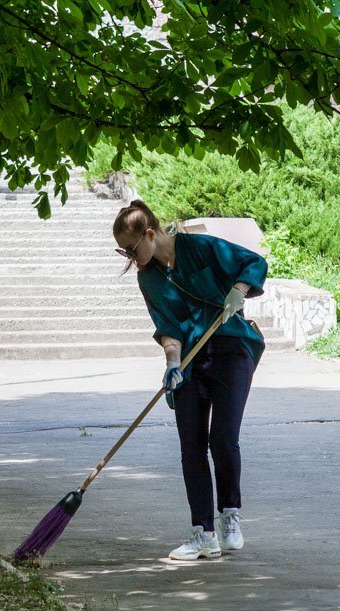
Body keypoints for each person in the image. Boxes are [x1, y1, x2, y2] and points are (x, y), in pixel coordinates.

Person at [112, 200, 267, 561]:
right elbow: (168, 326)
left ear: (150, 233)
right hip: (191, 361)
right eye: (124, 252)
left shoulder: (199, 246)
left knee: (223, 438)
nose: (131, 259)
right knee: (191, 445)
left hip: (232, 348)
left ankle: (230, 517)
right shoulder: (147, 277)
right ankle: (204, 534)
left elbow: (254, 262)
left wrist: (239, 290)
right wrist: (172, 363)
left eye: (132, 250)